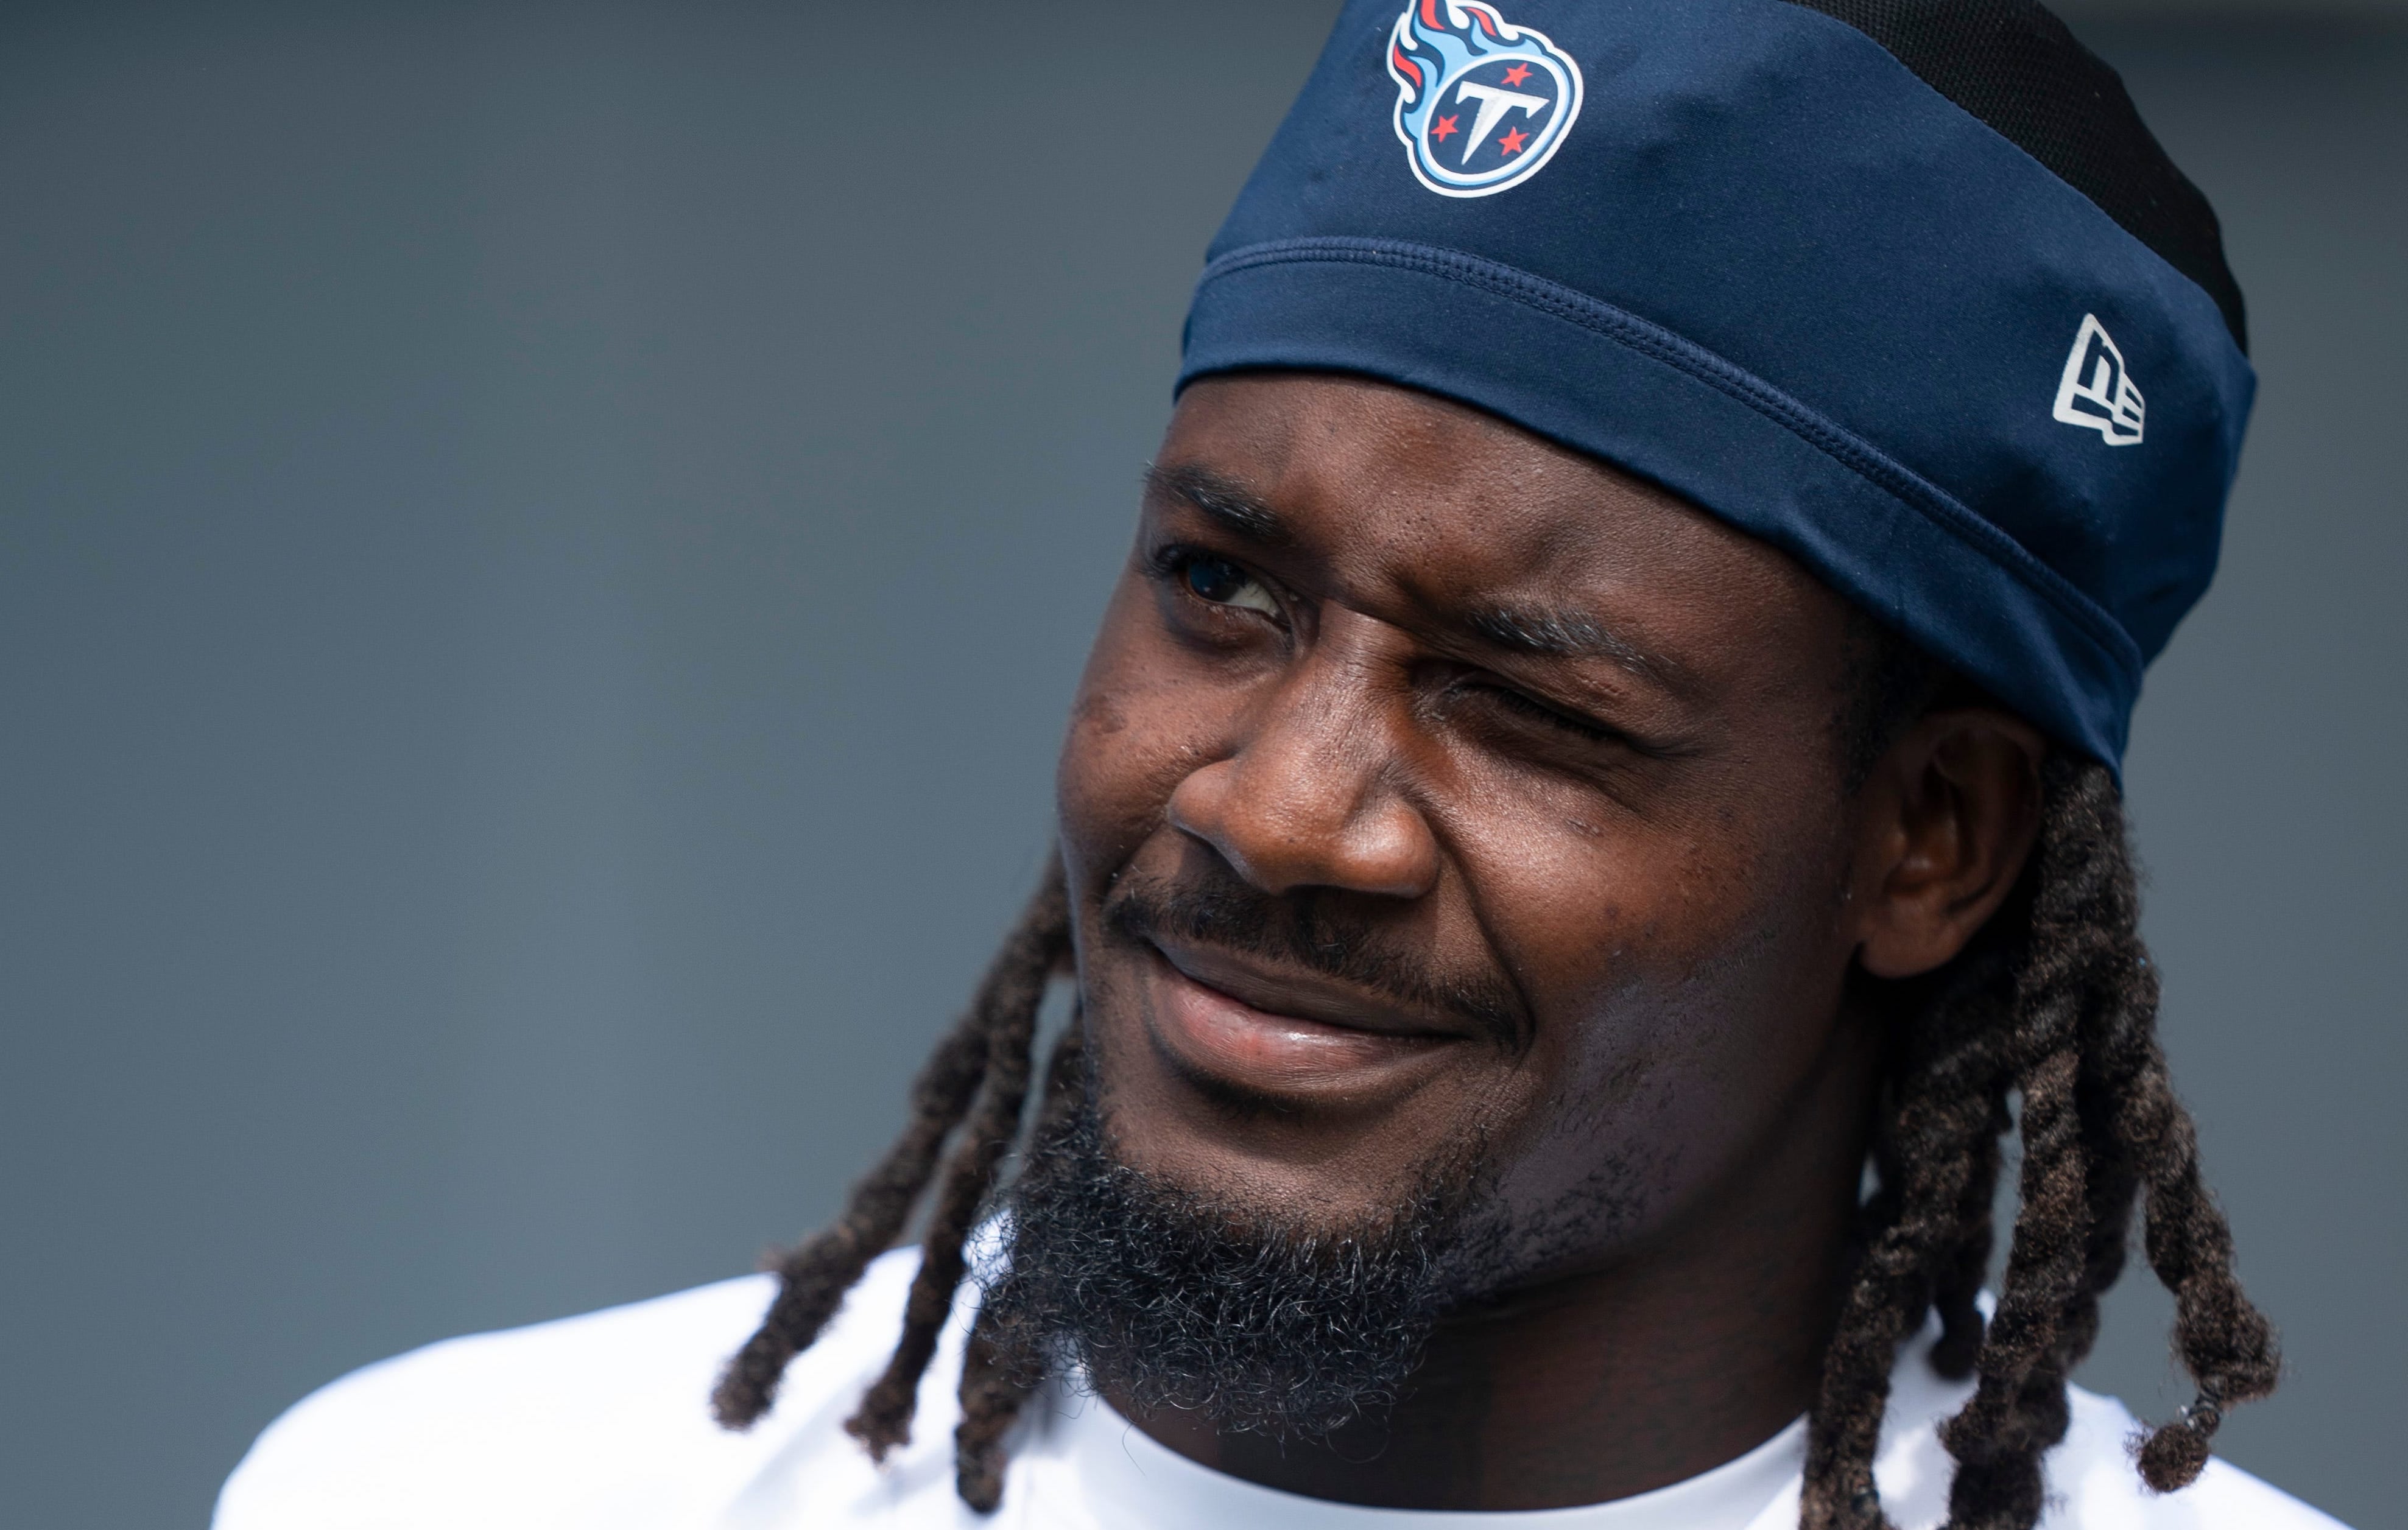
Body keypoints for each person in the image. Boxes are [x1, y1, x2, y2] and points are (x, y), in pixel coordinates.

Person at [215, 2, 2351, 1526]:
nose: (1267, 803)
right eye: (1221, 590)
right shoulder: (463, 1491)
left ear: (1929, 839)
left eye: (1530, 702)